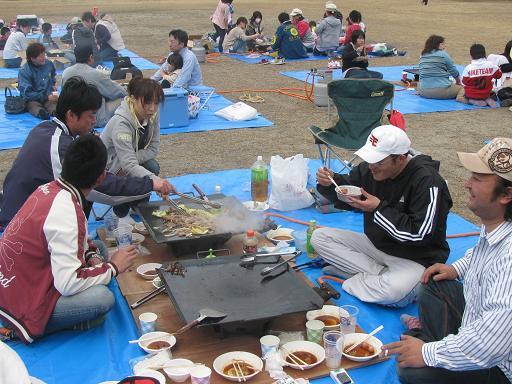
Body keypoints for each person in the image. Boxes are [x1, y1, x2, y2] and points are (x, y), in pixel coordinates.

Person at [384, 138, 512, 384]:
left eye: (478, 178)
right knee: (433, 281)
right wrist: (456, 268)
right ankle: (438, 343)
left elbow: (491, 345)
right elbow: (479, 253)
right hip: (480, 326)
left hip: (499, 366)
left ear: (507, 194)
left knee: (411, 371)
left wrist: (426, 353)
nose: (467, 184)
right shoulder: (497, 227)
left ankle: (432, 344)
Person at [0, 134, 138, 343]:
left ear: (64, 163)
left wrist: (91, 255)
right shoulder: (67, 211)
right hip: (19, 304)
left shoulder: (51, 189)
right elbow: (68, 284)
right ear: (101, 177)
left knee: (98, 246)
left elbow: (73, 239)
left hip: (18, 279)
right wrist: (113, 267)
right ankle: (27, 329)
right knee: (102, 300)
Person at [0, 77, 173, 228]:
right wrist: (151, 184)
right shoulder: (61, 147)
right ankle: (115, 219)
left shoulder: (46, 128)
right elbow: (102, 188)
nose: (94, 120)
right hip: (22, 221)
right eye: (90, 115)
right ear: (71, 116)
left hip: (29, 207)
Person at [311, 125, 452, 307]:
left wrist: (377, 209)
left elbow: (420, 235)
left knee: (393, 293)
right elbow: (347, 188)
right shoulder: (370, 170)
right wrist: (330, 182)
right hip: (377, 245)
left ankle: (357, 276)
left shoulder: (428, 181)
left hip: (415, 257)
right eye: (370, 159)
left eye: (379, 162)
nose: (372, 167)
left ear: (401, 158)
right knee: (319, 237)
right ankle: (376, 275)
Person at [101, 77, 166, 216]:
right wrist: (156, 181)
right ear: (133, 99)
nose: (152, 108)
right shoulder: (121, 123)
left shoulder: (153, 115)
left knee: (151, 166)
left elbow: (154, 148)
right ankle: (120, 212)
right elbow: (128, 167)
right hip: (108, 166)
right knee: (142, 171)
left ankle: (138, 206)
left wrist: (131, 158)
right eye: (147, 102)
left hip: (126, 159)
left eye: (156, 103)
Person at [62, 44, 127, 126]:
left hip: (73, 118)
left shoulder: (66, 72)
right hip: (95, 119)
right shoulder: (95, 74)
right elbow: (117, 92)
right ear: (90, 57)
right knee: (125, 99)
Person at [18, 43, 57, 120]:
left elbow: (53, 76)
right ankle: (41, 113)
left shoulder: (48, 64)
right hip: (33, 99)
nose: (43, 58)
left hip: (48, 97)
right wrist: (46, 96)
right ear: (32, 58)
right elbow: (27, 94)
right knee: (34, 106)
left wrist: (54, 84)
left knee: (53, 107)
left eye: (44, 55)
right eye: (41, 56)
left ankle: (55, 112)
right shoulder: (24, 71)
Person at [418, 35, 463, 99]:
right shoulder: (443, 54)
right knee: (463, 89)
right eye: (442, 44)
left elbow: (422, 72)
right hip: (440, 91)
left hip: (423, 91)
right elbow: (453, 71)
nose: (444, 46)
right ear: (437, 45)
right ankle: (460, 98)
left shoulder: (422, 55)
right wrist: (458, 82)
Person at [458, 44, 501, 108]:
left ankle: (473, 101)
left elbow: (464, 82)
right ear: (484, 54)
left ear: (471, 55)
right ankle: (488, 99)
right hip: (486, 93)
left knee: (463, 97)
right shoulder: (491, 65)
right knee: (487, 93)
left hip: (472, 94)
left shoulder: (468, 68)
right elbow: (499, 75)